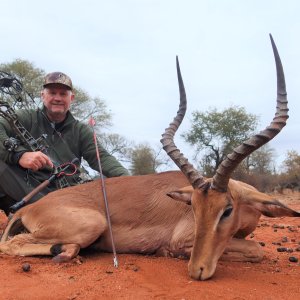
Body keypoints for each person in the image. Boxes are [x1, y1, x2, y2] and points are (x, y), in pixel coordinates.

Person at [0, 72, 129, 215]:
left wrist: (132, 182)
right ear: (42, 95)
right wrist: (20, 155)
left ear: (71, 98)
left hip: (66, 195)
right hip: (27, 187)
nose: (57, 98)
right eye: (52, 92)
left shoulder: (81, 130)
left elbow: (102, 158)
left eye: (63, 94)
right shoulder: (26, 117)